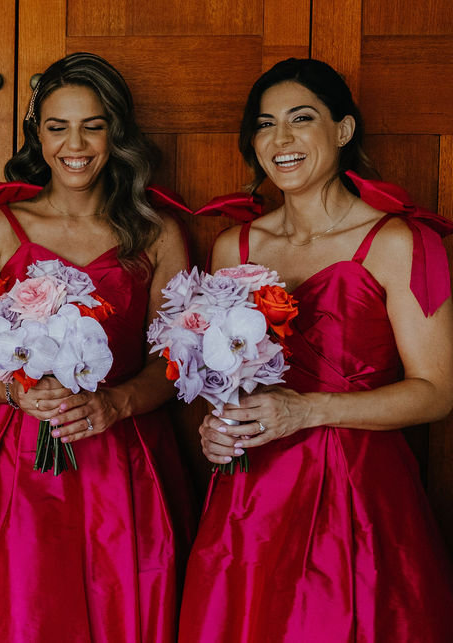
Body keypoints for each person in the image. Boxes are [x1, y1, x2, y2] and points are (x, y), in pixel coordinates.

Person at [179, 58, 453, 642]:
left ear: (344, 130)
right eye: (264, 124)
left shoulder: (398, 242)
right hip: (253, 495)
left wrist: (308, 411)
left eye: (301, 119)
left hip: (360, 493)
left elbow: (437, 392)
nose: (281, 139)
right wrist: (216, 428)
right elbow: (227, 381)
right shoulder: (235, 246)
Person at [0, 52, 195, 643]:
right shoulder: (0, 227)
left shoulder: (157, 232)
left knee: (125, 611)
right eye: (57, 127)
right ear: (37, 135)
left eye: (93, 125)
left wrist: (118, 403)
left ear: (117, 133)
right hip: (20, 462)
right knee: (25, 611)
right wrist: (17, 392)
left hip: (126, 458)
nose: (74, 144)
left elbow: (178, 360)